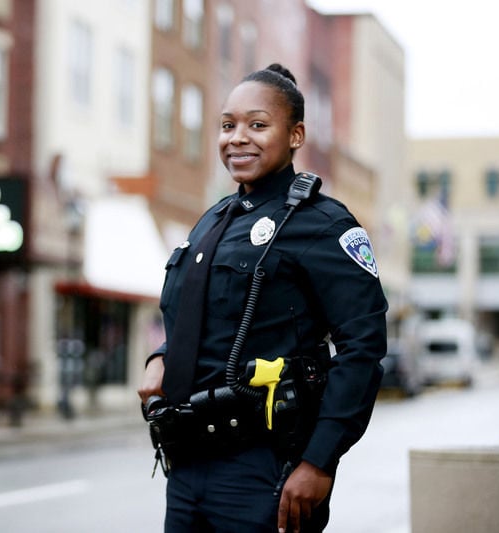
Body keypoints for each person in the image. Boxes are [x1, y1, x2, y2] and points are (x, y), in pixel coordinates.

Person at [138, 63, 387, 533]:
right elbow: (196, 319)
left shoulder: (324, 224)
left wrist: (319, 462)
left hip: (266, 469)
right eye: (228, 125)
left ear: (295, 135)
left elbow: (363, 349)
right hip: (188, 467)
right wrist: (160, 356)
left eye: (257, 125)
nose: (237, 138)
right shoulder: (213, 221)